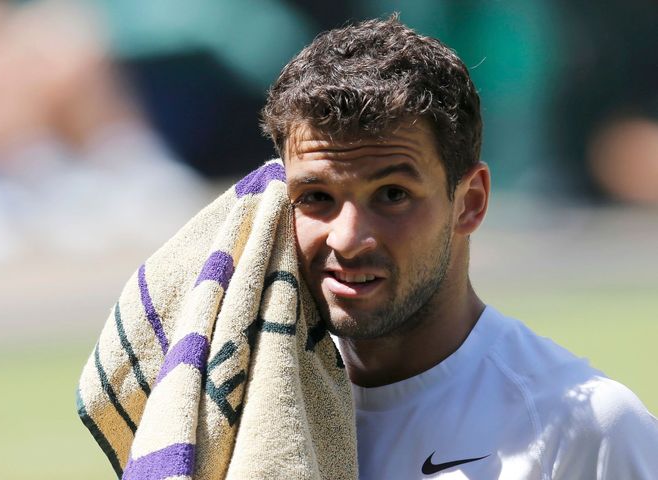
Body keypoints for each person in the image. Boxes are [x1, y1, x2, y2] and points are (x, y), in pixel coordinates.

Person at [260, 15, 658, 479]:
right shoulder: (239, 403)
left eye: (392, 194)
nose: (347, 238)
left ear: (470, 203)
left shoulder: (587, 430)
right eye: (316, 198)